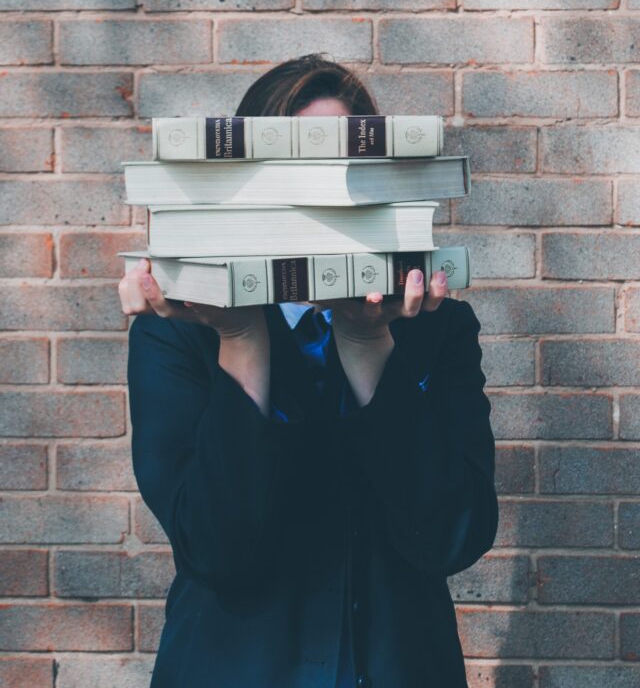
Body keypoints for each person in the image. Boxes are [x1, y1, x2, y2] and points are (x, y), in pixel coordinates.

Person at [119, 54, 499, 688]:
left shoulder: (438, 329)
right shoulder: (179, 332)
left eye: (340, 178)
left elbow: (451, 539)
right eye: (292, 178)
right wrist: (240, 336)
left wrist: (367, 343)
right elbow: (217, 550)